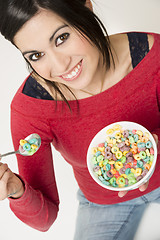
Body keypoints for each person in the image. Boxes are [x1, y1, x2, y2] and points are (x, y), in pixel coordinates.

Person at [0, 0, 160, 239]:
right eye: (36, 55)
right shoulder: (30, 108)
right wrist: (16, 189)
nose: (59, 65)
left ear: (87, 8)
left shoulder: (154, 58)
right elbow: (45, 219)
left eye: (62, 37)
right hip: (103, 202)